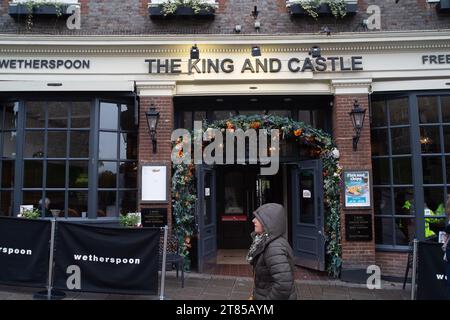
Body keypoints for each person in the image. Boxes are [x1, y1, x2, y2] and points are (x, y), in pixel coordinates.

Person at [246, 203, 297, 300]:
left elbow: (283, 285)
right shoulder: (264, 242)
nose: (253, 221)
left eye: (258, 218)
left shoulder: (274, 247)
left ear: (269, 222)